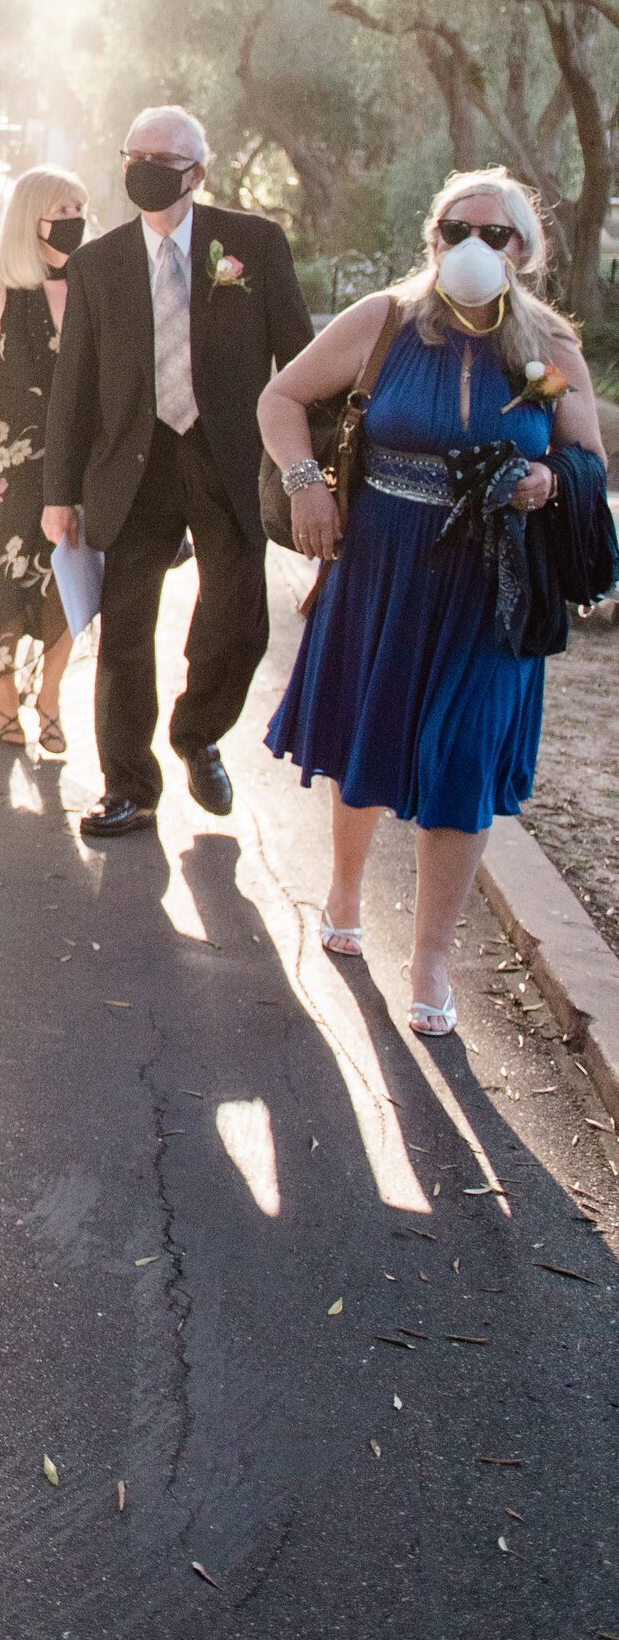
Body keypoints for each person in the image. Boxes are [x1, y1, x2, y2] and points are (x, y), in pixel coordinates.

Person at [260, 170, 608, 1037]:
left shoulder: (553, 348)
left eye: (498, 235)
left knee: (462, 761)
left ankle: (429, 956)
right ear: (434, 238)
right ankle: (344, 890)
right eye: (460, 229)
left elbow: (590, 464)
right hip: (382, 567)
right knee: (365, 735)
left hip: (494, 587)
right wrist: (307, 486)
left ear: (524, 252)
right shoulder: (381, 323)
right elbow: (280, 398)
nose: (476, 247)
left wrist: (543, 478)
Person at [41, 104, 313, 840]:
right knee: (125, 630)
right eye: (134, 152)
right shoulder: (96, 262)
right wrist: (58, 492)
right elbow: (74, 384)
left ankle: (198, 732)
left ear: (197, 172)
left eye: (162, 156)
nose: (144, 166)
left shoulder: (254, 244)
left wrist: (313, 470)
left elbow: (301, 358)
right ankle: (128, 785)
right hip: (132, 463)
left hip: (228, 457)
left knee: (236, 619)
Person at [0, 166, 88, 754]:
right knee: (0, 592)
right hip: (5, 469)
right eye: (62, 210)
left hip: (76, 467)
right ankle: (5, 708)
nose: (74, 221)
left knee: (67, 589)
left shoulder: (92, 284)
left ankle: (51, 698)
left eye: (79, 208)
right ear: (30, 216)